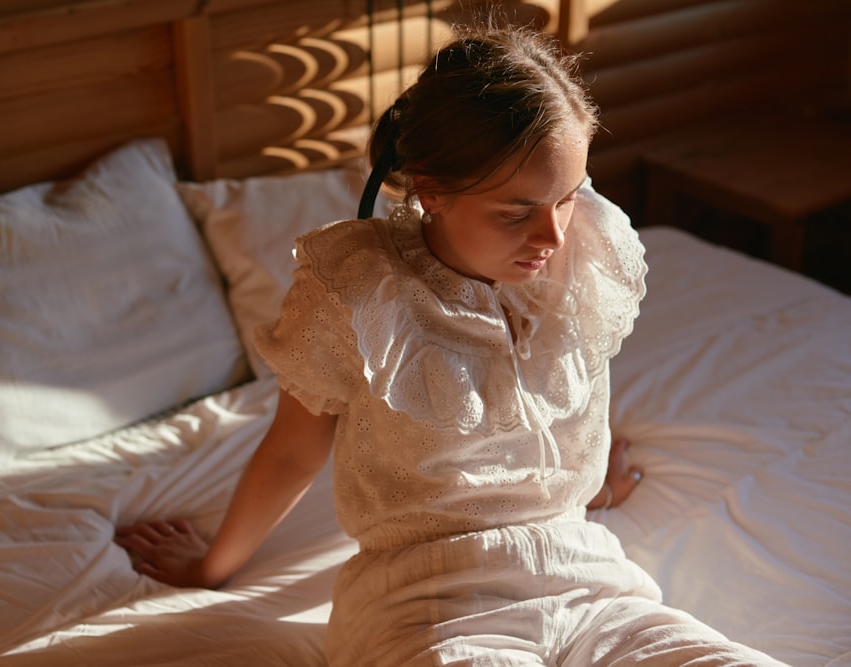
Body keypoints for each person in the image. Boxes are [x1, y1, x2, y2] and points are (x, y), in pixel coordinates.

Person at [115, 24, 787, 666]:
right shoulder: (363, 291)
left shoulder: (584, 247)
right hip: (428, 601)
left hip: (585, 576)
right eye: (515, 212)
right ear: (432, 193)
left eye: (568, 196)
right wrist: (210, 566)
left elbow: (556, 375)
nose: (551, 236)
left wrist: (578, 474)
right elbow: (294, 450)